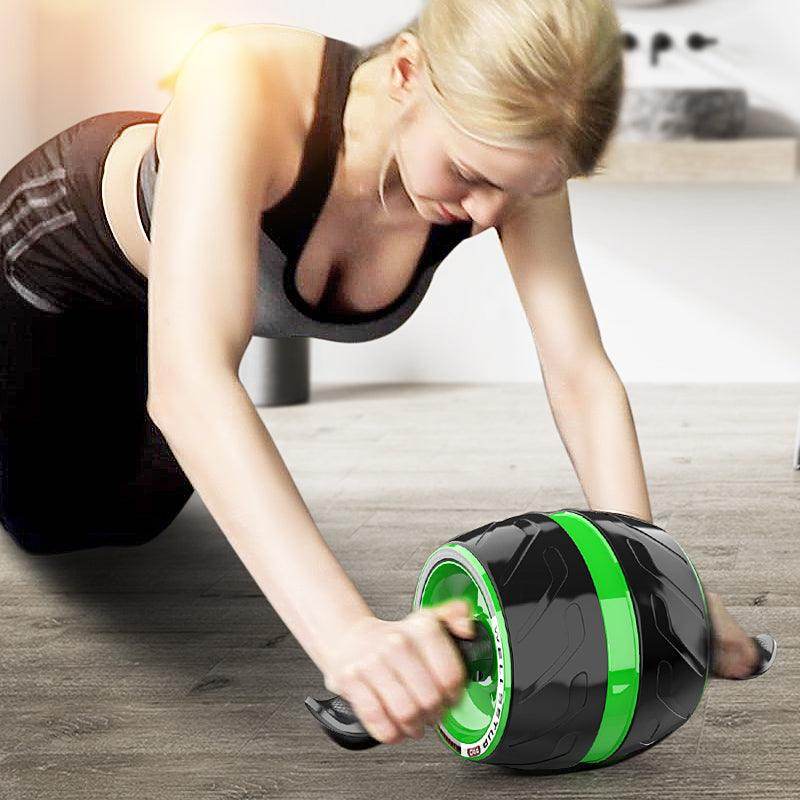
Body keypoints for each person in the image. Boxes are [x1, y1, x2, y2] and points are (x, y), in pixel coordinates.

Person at [0, 1, 774, 748]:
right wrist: (347, 637)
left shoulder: (511, 154)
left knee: (132, 520)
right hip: (45, 273)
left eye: (518, 191)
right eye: (470, 173)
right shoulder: (241, 77)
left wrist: (650, 577)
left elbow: (578, 371)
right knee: (52, 526)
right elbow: (191, 383)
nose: (485, 213)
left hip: (161, 317)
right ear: (406, 70)